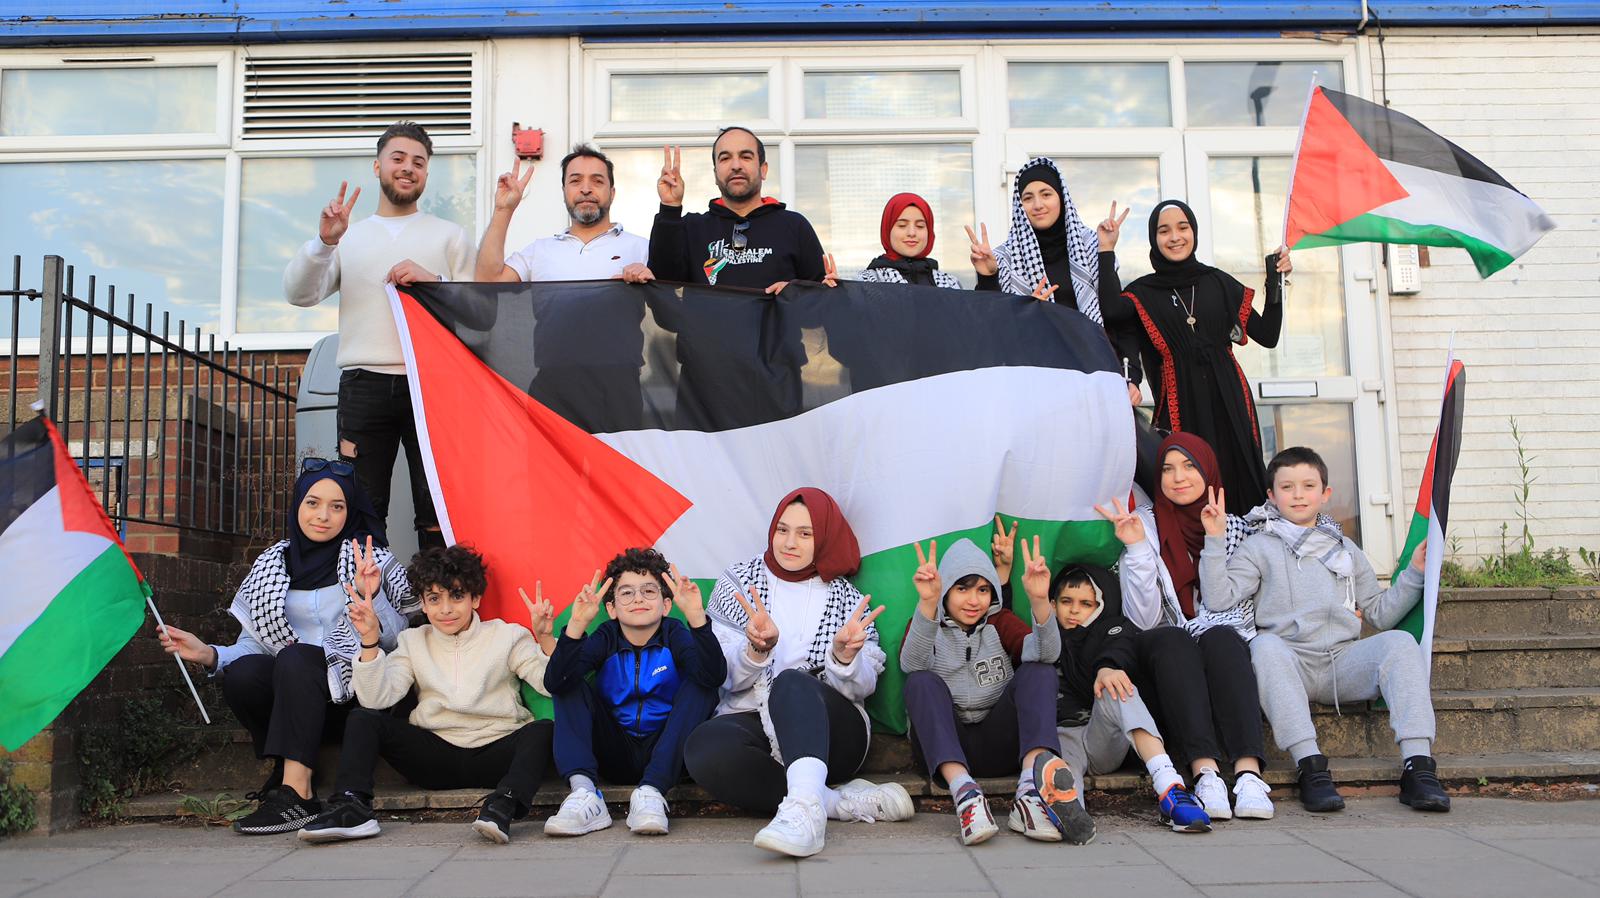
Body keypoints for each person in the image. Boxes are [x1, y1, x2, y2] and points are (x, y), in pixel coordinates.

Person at [156, 459, 414, 835]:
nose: (323, 515)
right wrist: (210, 654)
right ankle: (290, 761)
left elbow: (397, 641)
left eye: (336, 506)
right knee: (243, 674)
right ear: (297, 506)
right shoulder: (272, 564)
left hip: (360, 699)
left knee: (295, 658)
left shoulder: (369, 560)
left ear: (350, 511)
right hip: (298, 702)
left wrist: (368, 594)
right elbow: (253, 647)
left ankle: (297, 793)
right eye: (313, 503)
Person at [1200, 446, 1449, 814]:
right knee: (1264, 646)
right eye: (1287, 487)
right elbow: (1220, 600)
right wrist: (1214, 539)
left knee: (1399, 642)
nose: (1298, 494)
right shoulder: (1259, 546)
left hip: (1343, 661)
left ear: (1325, 494)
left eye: (1308, 485)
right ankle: (1311, 767)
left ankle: (1419, 768)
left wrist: (1413, 572)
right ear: (1271, 495)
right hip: (1290, 662)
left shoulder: (1345, 548)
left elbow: (1379, 614)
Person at [683, 487, 913, 858]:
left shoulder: (846, 599)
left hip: (834, 733)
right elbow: (722, 676)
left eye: (805, 534)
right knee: (702, 749)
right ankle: (830, 802)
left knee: (791, 682)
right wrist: (756, 650)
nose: (790, 543)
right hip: (755, 719)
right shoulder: (739, 584)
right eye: (783, 530)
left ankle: (806, 818)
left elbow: (864, 688)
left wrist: (843, 659)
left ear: (823, 537)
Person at [284, 121, 474, 549]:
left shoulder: (450, 236)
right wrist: (323, 243)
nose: (408, 168)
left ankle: (438, 609)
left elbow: (479, 312)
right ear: (377, 167)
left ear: (426, 174)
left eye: (419, 163)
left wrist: (435, 282)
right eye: (399, 159)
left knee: (436, 508)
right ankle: (373, 612)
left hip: (434, 385)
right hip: (362, 384)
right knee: (362, 507)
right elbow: (299, 294)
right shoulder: (348, 236)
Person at [297, 545, 557, 845]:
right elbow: (376, 699)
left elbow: (550, 683)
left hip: (497, 752)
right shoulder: (412, 641)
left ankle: (503, 806)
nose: (445, 609)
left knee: (542, 730)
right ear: (422, 602)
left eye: (456, 596)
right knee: (362, 718)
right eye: (434, 599)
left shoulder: (508, 635)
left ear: (476, 598)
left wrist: (546, 639)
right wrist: (369, 642)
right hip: (435, 756)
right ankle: (352, 807)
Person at [1094, 432, 1278, 821]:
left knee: (1223, 639)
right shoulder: (1142, 525)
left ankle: (1248, 774)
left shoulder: (1237, 529)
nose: (1178, 477)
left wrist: (1214, 539)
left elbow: (1234, 604)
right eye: (1167, 469)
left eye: (1190, 466)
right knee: (1176, 638)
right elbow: (1143, 620)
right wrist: (1138, 549)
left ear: (1208, 471)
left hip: (1219, 649)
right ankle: (1205, 772)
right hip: (1163, 654)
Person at [1101, 199, 1292, 514]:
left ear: (1194, 232)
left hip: (1230, 399)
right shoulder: (1143, 292)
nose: (1174, 237)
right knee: (1186, 480)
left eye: (1182, 227)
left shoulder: (1218, 282)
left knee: (1240, 478)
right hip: (1180, 401)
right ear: (1154, 239)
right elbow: (1111, 312)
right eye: (1164, 231)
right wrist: (1106, 251)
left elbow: (1268, 335)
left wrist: (1276, 283)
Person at [900, 536, 1092, 846]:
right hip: (946, 750)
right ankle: (966, 797)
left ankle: (1030, 793)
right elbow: (912, 664)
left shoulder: (998, 622)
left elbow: (1046, 653)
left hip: (1000, 744)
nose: (974, 600)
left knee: (1039, 670)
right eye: (962, 589)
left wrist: (1040, 601)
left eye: (983, 589)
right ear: (946, 590)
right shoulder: (925, 624)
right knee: (920, 681)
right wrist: (928, 604)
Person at [542, 548, 726, 837]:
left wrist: (697, 619)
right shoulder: (605, 636)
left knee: (701, 685)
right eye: (626, 593)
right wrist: (577, 626)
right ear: (612, 608)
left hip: (666, 753)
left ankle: (651, 794)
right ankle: (584, 795)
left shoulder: (675, 633)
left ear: (666, 605)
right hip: (615, 750)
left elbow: (714, 676)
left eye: (648, 591)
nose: (638, 598)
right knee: (568, 682)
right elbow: (554, 682)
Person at [1049, 563, 1213, 834]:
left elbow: (1122, 647)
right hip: (1060, 739)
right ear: (1053, 604)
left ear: (1100, 605)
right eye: (1067, 601)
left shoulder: (1112, 628)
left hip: (1100, 737)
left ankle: (1170, 786)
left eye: (1085, 603)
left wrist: (1107, 667)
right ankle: (1068, 812)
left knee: (1117, 687)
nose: (1075, 610)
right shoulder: (1042, 634)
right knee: (1063, 772)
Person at [645, 129, 828, 292]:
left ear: (763, 170)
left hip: (778, 332)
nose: (736, 165)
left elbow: (820, 302)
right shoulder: (690, 227)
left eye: (746, 156)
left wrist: (795, 293)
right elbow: (664, 294)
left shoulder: (794, 225)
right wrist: (670, 207)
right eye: (725, 158)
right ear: (715, 174)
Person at [473, 144, 649, 283]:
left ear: (612, 193)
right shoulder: (539, 251)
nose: (586, 189)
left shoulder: (643, 249)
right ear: (564, 191)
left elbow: (667, 316)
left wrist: (649, 280)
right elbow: (487, 282)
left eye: (597, 181)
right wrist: (503, 210)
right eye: (575, 180)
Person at [966, 157, 1112, 324]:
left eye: (1046, 194)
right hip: (1030, 349)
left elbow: (1113, 313)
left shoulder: (1090, 245)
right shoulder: (1003, 258)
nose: (1038, 205)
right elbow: (988, 323)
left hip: (1088, 347)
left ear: (1061, 198)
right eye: (1028, 198)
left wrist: (1107, 251)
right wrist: (988, 278)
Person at [855, 193, 963, 289]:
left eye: (920, 226)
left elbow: (969, 311)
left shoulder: (949, 284)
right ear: (887, 230)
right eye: (902, 225)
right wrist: (838, 293)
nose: (912, 233)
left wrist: (981, 278)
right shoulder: (867, 283)